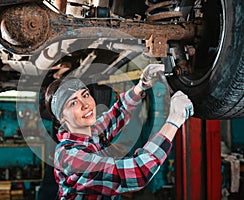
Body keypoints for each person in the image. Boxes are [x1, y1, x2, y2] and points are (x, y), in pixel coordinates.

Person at [44, 64, 194, 199]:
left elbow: (116, 114)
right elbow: (138, 171)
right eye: (73, 103)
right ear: (61, 119)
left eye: (85, 95)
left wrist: (141, 86)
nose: (86, 105)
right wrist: (174, 121)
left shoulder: (91, 132)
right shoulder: (68, 157)